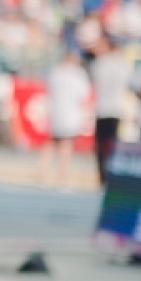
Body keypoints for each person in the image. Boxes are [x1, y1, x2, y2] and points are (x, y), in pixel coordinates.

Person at [44, 46, 91, 190]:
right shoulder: (78, 74)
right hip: (70, 114)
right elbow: (83, 97)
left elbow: (48, 91)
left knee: (51, 143)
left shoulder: (55, 71)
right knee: (66, 145)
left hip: (56, 112)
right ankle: (62, 176)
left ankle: (42, 173)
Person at [90, 35, 130, 184]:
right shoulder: (121, 63)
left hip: (104, 109)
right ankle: (111, 176)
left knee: (102, 147)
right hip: (114, 109)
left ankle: (103, 177)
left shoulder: (100, 63)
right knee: (112, 146)